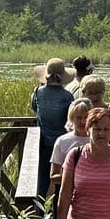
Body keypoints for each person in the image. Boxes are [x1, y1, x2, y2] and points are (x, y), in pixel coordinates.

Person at [31, 58, 74, 198]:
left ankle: (40, 210)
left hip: (42, 142)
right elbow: (70, 119)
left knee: (43, 176)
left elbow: (34, 108)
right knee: (62, 177)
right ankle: (58, 211)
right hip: (63, 143)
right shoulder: (68, 96)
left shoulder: (38, 92)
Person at [48, 98, 92, 205]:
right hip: (67, 195)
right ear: (71, 118)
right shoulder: (62, 141)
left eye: (86, 117)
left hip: (93, 196)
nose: (82, 122)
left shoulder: (98, 140)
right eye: (78, 118)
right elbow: (53, 175)